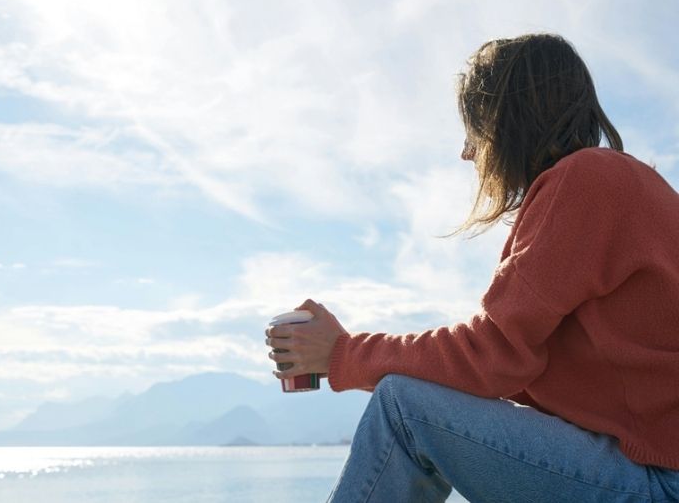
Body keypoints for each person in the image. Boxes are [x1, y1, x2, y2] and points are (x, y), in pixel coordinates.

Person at [264, 33, 679, 502]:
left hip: (660, 483)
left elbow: (493, 355)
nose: (467, 152)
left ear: (506, 119)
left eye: (473, 127)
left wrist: (342, 354)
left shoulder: (586, 180)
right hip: (653, 468)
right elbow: (510, 371)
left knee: (403, 407)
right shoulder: (626, 186)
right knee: (412, 399)